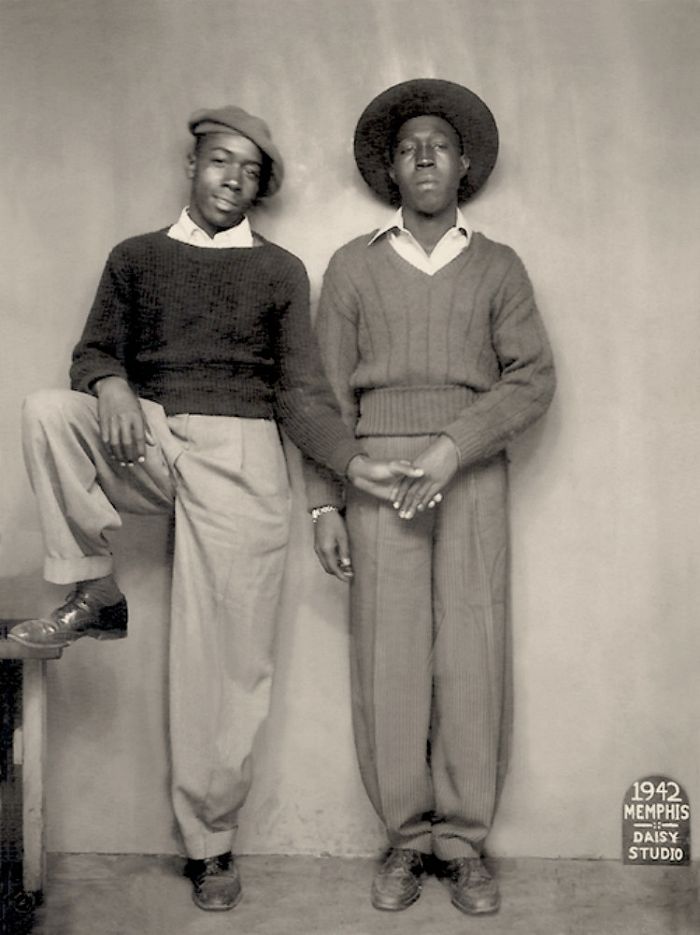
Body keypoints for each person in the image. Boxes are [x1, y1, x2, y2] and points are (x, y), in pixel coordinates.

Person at [9, 105, 423, 912]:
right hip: (152, 437)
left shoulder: (278, 272)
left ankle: (211, 844)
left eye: (249, 170)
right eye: (218, 161)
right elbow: (92, 349)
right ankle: (94, 589)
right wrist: (113, 385)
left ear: (260, 187)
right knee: (47, 411)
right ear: (191, 166)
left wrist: (348, 469)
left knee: (224, 664)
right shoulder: (135, 257)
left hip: (245, 454)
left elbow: (303, 394)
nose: (231, 179)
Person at [306, 79, 556, 916]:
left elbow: (532, 378)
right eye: (409, 143)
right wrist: (326, 500)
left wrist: (456, 446)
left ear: (464, 166)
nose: (424, 155)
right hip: (376, 480)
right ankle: (406, 843)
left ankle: (464, 846)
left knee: (472, 657)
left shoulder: (498, 265)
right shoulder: (351, 266)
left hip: (471, 475)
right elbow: (321, 397)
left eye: (440, 145)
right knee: (391, 660)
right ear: (390, 167)